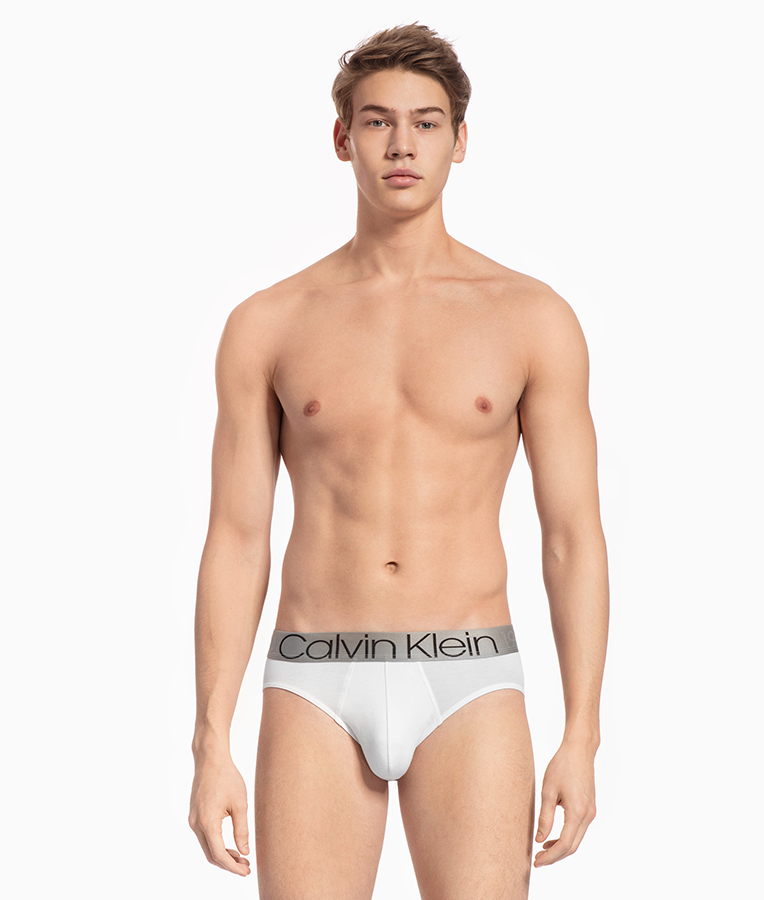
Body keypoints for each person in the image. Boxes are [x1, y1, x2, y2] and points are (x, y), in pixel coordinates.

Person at [188, 23, 609, 899]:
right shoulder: (270, 323)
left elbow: (572, 537)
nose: (402, 145)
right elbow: (236, 537)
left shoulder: (531, 319)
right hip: (314, 676)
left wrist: (582, 734)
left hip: (470, 676)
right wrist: (209, 741)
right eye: (378, 122)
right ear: (343, 139)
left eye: (426, 123)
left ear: (461, 140)